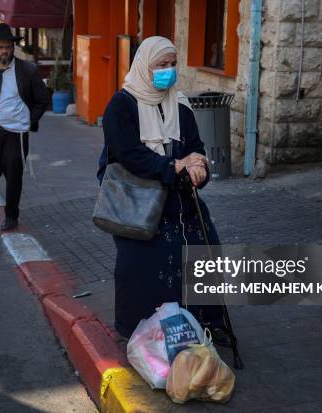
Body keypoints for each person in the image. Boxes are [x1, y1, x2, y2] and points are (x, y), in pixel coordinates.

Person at [98, 36, 230, 344]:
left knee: (205, 250)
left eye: (172, 65)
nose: (168, 71)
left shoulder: (180, 104)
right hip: (139, 201)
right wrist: (175, 166)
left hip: (180, 200)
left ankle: (207, 323)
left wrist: (199, 168)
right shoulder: (122, 104)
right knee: (143, 266)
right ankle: (142, 333)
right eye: (161, 65)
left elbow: (195, 148)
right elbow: (128, 154)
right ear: (145, 66)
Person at [0, 23, 49, 231]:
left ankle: (12, 216)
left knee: (13, 177)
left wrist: (29, 121)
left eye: (8, 47)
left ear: (13, 48)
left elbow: (43, 99)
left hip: (15, 135)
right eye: (1, 47)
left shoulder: (27, 70)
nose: (5, 51)